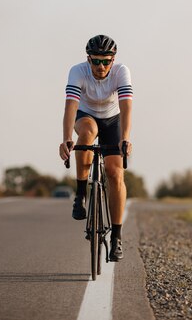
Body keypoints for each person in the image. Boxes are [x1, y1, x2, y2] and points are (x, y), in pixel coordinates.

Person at [59, 35, 132, 262]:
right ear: (88, 59)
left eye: (106, 61)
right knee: (87, 133)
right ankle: (81, 194)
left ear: (113, 60)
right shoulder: (78, 71)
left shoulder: (121, 72)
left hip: (112, 119)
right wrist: (65, 139)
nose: (101, 67)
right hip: (85, 115)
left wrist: (125, 139)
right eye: (96, 61)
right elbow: (71, 106)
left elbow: (126, 106)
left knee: (114, 172)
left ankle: (117, 238)